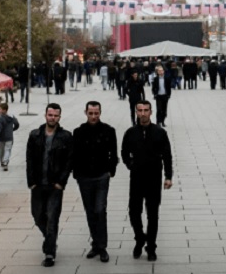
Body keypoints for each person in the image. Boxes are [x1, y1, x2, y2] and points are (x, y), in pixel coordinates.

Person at [121, 100, 173, 262]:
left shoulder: (159, 132)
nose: (143, 113)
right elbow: (124, 152)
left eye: (146, 110)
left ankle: (151, 247)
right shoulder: (130, 133)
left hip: (154, 177)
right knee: (134, 212)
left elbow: (167, 156)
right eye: (140, 110)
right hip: (136, 177)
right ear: (136, 112)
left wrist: (168, 176)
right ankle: (139, 238)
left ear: (151, 112)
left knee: (152, 214)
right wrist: (131, 165)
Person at [26, 103, 73, 268]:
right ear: (45, 115)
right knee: (38, 215)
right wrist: (31, 182)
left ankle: (49, 253)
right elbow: (29, 159)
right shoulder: (35, 135)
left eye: (56, 116)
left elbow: (69, 161)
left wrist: (62, 182)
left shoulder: (66, 136)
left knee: (52, 218)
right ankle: (50, 238)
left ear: (60, 117)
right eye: (50, 115)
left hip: (55, 186)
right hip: (38, 184)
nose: (52, 118)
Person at [72, 101, 118, 263]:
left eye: (96, 113)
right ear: (86, 113)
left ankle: (102, 246)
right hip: (84, 177)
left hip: (101, 176)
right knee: (90, 211)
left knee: (100, 209)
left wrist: (111, 170)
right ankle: (96, 244)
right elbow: (74, 154)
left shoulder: (108, 131)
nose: (93, 116)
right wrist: (76, 173)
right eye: (90, 113)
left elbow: (113, 152)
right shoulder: (78, 132)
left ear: (100, 113)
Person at [0, 102, 20, 171]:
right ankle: (5, 162)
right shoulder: (12, 117)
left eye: (0, 109)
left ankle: (2, 162)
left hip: (2, 138)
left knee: (1, 151)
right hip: (10, 137)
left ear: (4, 110)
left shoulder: (1, 118)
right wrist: (13, 129)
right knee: (8, 150)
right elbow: (17, 124)